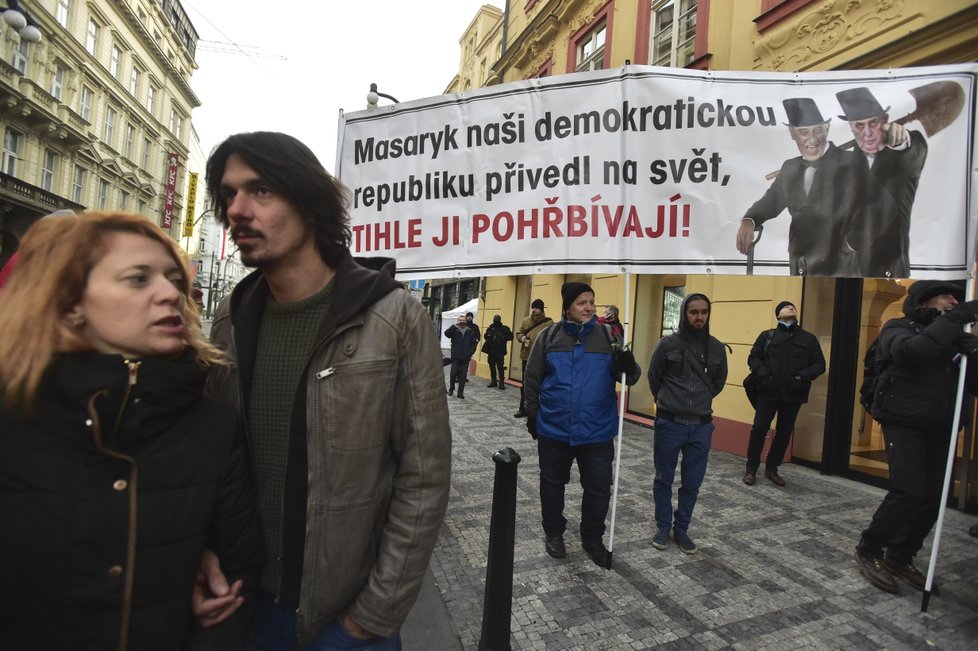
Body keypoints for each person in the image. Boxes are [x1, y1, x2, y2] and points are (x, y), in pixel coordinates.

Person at [200, 132, 452, 649]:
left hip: (348, 620)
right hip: (243, 607)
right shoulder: (230, 319)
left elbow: (423, 479)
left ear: (310, 202)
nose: (238, 211)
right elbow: (211, 464)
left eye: (260, 190)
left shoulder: (392, 315)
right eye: (228, 196)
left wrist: (371, 617)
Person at [0, 211, 263, 649]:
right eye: (138, 279)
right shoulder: (14, 416)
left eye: (173, 279)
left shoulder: (213, 427)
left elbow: (237, 580)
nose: (171, 294)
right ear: (70, 302)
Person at [855, 280, 978, 595]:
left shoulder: (953, 338)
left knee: (934, 497)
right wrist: (952, 322)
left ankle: (900, 556)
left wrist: (973, 353)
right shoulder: (898, 327)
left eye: (957, 299)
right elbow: (911, 352)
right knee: (909, 490)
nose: (953, 302)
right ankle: (870, 549)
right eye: (946, 296)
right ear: (925, 301)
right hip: (904, 421)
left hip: (944, 426)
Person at [523, 282, 640, 568]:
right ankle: (554, 533)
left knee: (599, 488)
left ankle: (593, 539)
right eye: (581, 303)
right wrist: (533, 412)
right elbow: (532, 376)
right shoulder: (548, 336)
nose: (589, 307)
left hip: (597, 430)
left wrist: (628, 364)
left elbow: (631, 377)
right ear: (567, 307)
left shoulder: (609, 336)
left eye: (592, 302)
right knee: (552, 485)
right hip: (555, 428)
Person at [736, 97, 863, 277]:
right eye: (804, 132)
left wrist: (852, 242)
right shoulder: (790, 168)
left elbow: (880, 207)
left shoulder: (851, 163)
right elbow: (768, 203)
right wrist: (749, 220)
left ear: (826, 129)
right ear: (792, 133)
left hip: (840, 267)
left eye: (817, 131)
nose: (812, 140)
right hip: (801, 266)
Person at [648, 293, 728, 554]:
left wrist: (698, 403)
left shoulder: (716, 348)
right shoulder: (667, 345)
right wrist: (672, 401)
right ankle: (663, 525)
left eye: (704, 312)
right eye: (694, 312)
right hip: (670, 423)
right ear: (684, 313)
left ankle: (682, 529)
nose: (699, 317)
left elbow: (717, 383)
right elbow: (654, 378)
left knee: (692, 482)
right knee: (664, 479)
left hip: (701, 426)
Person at [837, 87, 927, 279]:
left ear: (885, 120)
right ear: (851, 127)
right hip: (849, 270)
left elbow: (914, 157)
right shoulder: (846, 162)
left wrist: (903, 141)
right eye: (859, 126)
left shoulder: (902, 151)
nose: (867, 133)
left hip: (889, 268)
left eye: (873, 123)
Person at [743, 300, 826, 487]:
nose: (791, 307)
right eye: (785, 306)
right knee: (759, 429)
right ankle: (751, 469)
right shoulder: (767, 336)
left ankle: (772, 468)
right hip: (767, 391)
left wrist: (800, 377)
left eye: (793, 307)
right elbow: (753, 357)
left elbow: (820, 364)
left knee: (784, 433)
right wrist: (764, 375)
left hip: (793, 393)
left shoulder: (808, 338)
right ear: (778, 315)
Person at [514, 299, 554, 418]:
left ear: (541, 309)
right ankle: (523, 408)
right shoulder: (526, 321)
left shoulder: (549, 323)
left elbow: (552, 338)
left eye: (536, 308)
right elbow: (518, 333)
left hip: (542, 358)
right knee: (525, 384)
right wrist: (522, 338)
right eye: (533, 308)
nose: (534, 310)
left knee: (541, 384)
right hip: (526, 356)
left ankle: (540, 409)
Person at [445, 313, 479, 398]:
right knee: (453, 374)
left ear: (466, 321)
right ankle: (451, 388)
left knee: (463, 376)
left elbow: (474, 343)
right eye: (460, 320)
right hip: (456, 357)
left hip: (465, 357)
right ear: (457, 321)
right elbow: (447, 334)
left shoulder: (470, 331)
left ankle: (460, 393)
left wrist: (470, 352)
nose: (462, 321)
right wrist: (454, 326)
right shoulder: (454, 330)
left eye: (463, 320)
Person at [482, 314, 514, 389]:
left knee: (500, 367)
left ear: (500, 320)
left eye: (496, 319)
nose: (495, 320)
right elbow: (485, 336)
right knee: (492, 366)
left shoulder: (504, 328)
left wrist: (502, 339)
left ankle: (501, 382)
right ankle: (494, 381)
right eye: (494, 318)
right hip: (491, 351)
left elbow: (510, 336)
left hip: (500, 351)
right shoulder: (491, 328)